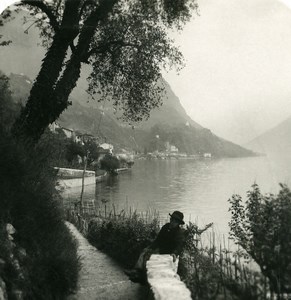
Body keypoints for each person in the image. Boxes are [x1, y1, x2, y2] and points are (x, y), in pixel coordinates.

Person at [124, 210, 186, 283]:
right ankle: (137, 271)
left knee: (150, 258)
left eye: (175, 221)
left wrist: (174, 253)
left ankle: (142, 278)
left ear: (178, 223)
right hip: (160, 249)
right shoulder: (166, 227)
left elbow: (179, 246)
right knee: (145, 252)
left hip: (168, 254)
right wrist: (150, 247)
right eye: (172, 219)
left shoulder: (179, 233)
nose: (172, 222)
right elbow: (158, 240)